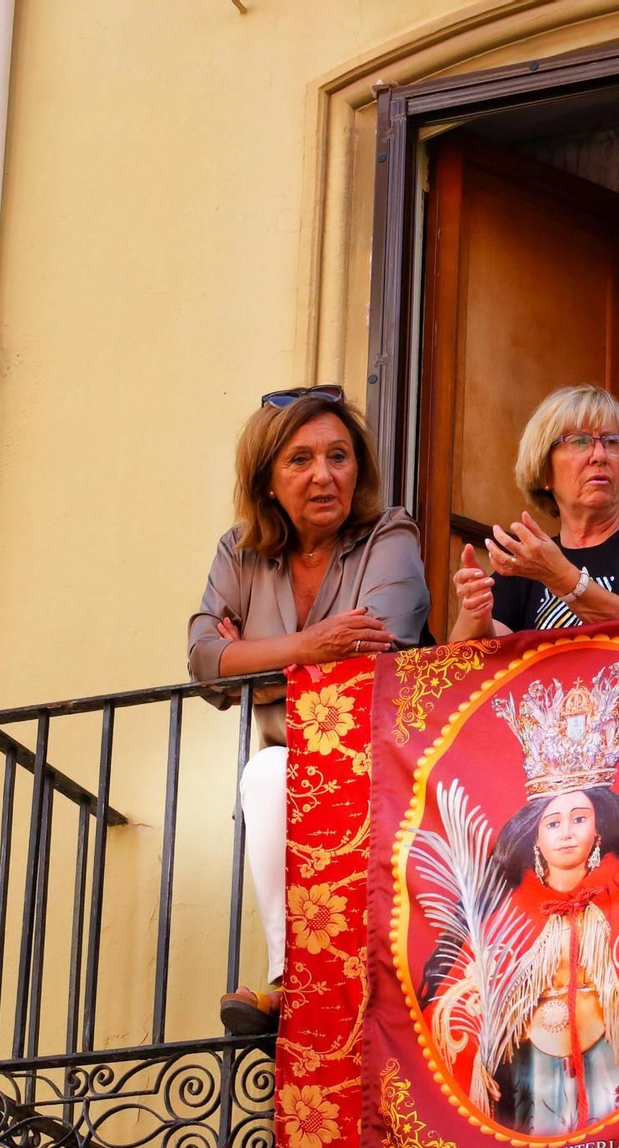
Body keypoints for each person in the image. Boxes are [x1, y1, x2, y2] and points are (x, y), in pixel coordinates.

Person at [187, 385, 429, 1036]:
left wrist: (257, 663)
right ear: (267, 480)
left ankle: (300, 986)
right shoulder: (239, 552)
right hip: (294, 776)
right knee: (268, 774)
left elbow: (381, 651)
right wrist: (311, 648)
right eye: (300, 459)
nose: (324, 474)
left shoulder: (390, 534)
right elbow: (204, 660)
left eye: (339, 456)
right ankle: (294, 982)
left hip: (382, 772)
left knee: (275, 770)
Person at [417, 664, 619, 1136]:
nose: (566, 833)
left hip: (613, 1058)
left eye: (579, 818)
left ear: (599, 827)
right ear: (534, 836)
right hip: (534, 1063)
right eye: (553, 823)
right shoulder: (509, 908)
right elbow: (461, 995)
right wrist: (481, 1055)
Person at [449, 386, 619, 641]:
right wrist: (475, 609)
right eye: (579, 441)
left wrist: (561, 578)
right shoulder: (533, 561)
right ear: (545, 471)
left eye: (611, 441)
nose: (600, 455)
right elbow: (468, 658)